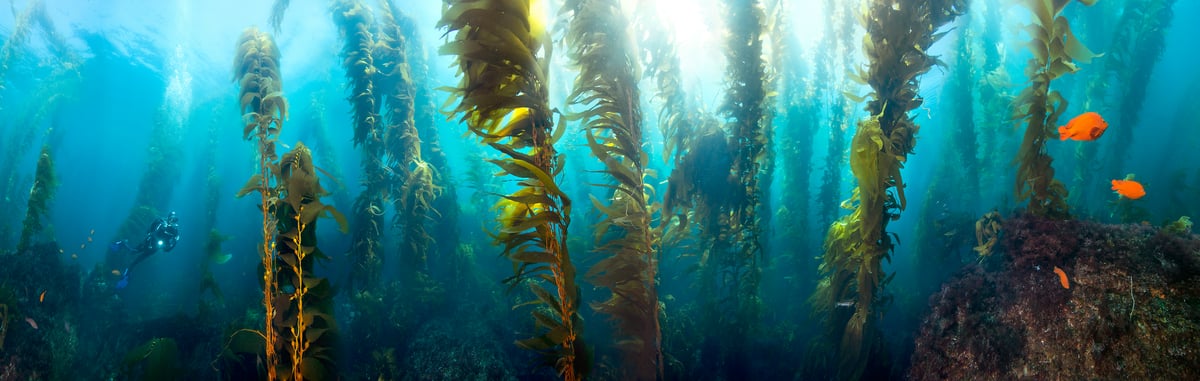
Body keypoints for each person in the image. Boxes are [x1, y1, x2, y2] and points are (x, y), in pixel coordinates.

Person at [110, 211, 180, 289]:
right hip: (148, 243)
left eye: (174, 220)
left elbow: (167, 249)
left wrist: (174, 243)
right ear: (168, 218)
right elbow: (153, 233)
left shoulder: (174, 231)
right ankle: (122, 243)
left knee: (136, 262)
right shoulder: (162, 224)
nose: (172, 221)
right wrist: (159, 242)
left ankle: (125, 276)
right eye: (171, 219)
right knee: (133, 251)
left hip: (153, 250)